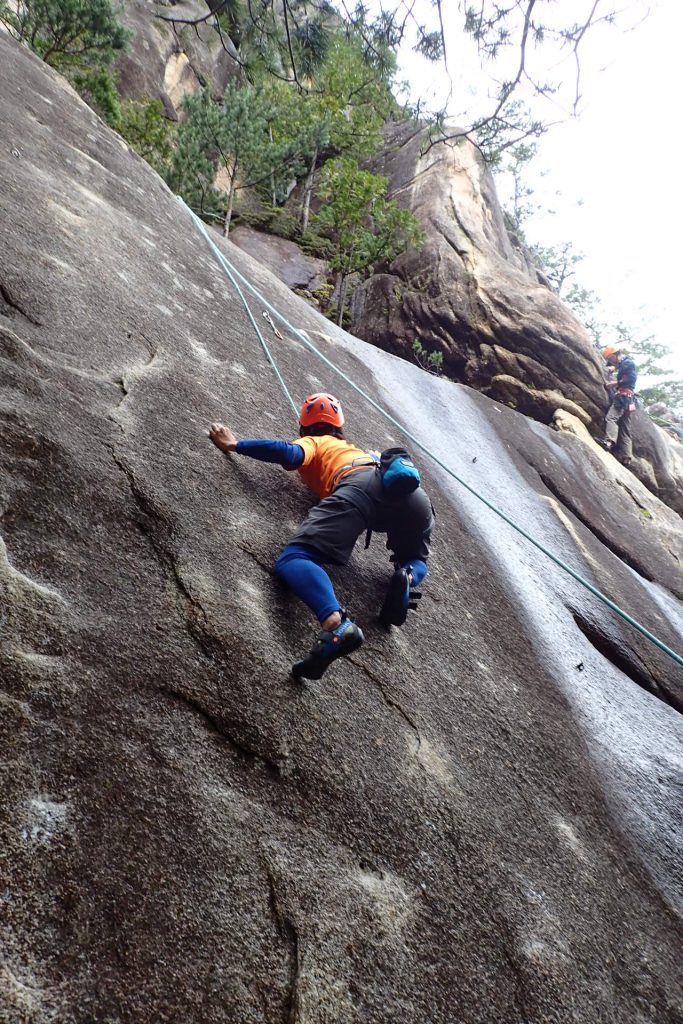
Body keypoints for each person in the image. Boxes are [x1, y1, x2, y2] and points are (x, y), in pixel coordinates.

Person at [209, 392, 435, 680]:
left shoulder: (317, 441)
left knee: (294, 559)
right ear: (340, 426)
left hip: (360, 487)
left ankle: (335, 625)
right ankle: (407, 576)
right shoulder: (361, 451)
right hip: (416, 499)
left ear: (304, 428)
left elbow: (290, 454)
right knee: (414, 558)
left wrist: (235, 444)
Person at [599, 345, 638, 463]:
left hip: (623, 397)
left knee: (611, 418)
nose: (611, 363)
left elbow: (631, 378)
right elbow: (623, 370)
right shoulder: (624, 365)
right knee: (625, 429)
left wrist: (615, 383)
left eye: (611, 360)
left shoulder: (628, 363)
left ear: (614, 356)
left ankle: (609, 442)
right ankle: (627, 457)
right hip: (629, 400)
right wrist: (613, 369)